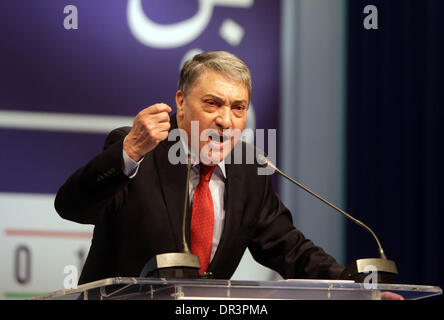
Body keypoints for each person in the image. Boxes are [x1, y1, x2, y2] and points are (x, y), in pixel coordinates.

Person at [55, 51, 345, 285]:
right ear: (181, 102)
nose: (226, 120)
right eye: (212, 103)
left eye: (238, 108)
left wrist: (360, 288)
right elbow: (72, 207)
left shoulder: (248, 168)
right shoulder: (140, 149)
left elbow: (289, 248)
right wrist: (129, 152)